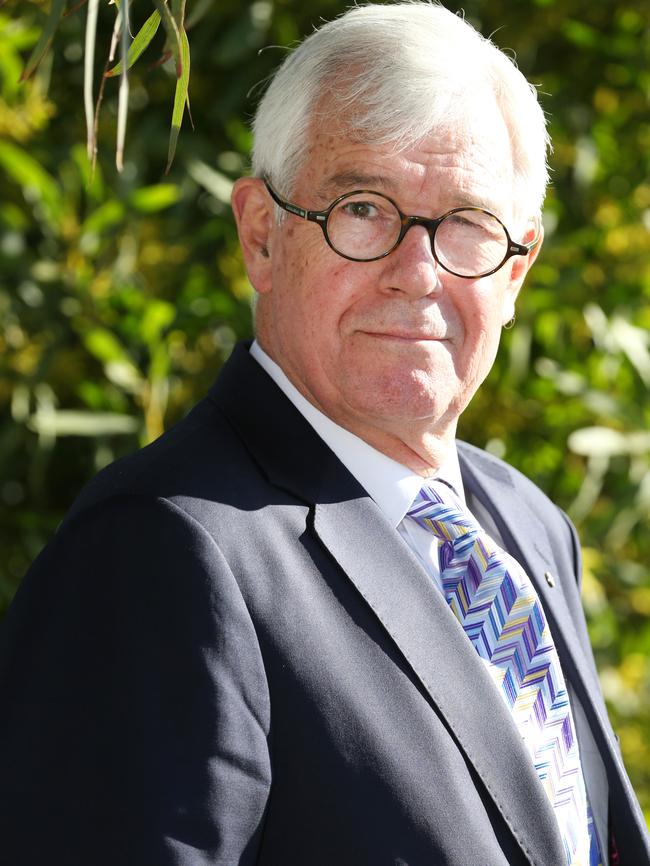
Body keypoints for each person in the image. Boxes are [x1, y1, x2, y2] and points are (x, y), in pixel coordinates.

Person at [0, 3, 648, 864]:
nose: (417, 274)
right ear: (262, 236)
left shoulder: (528, 525)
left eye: (467, 222)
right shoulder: (159, 550)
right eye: (365, 209)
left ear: (518, 267)